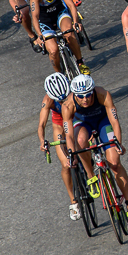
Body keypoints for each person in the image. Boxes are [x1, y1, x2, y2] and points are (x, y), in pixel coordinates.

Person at [63, 74, 128, 227]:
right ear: (74, 95)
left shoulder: (103, 94)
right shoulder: (68, 105)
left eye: (88, 95)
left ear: (93, 91)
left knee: (115, 164)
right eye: (80, 96)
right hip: (82, 124)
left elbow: (115, 121)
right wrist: (72, 154)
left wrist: (118, 143)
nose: (85, 99)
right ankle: (91, 175)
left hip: (103, 122)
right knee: (80, 141)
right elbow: (69, 135)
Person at [37, 72, 90, 221]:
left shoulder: (74, 91)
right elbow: (41, 124)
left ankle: (89, 165)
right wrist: (42, 141)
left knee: (82, 142)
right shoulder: (47, 100)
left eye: (65, 98)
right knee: (66, 164)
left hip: (75, 118)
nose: (62, 102)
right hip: (59, 125)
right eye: (58, 100)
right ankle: (73, 201)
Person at [30, 0, 89, 75]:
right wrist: (39, 35)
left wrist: (76, 22)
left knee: (69, 33)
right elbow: (35, 17)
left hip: (60, 14)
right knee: (53, 50)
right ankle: (59, 75)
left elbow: (71, 5)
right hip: (45, 21)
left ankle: (80, 62)